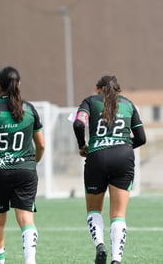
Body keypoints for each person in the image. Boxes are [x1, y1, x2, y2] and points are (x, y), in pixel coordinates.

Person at [0, 66, 45, 264]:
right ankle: (30, 261)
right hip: (25, 171)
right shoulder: (29, 109)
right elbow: (41, 144)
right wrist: (33, 161)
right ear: (18, 84)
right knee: (26, 220)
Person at [72, 75, 146, 264]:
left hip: (96, 156)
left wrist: (82, 146)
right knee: (118, 214)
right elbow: (141, 137)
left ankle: (100, 245)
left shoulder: (90, 101)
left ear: (98, 89)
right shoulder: (129, 104)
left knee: (94, 209)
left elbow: (79, 123)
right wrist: (125, 146)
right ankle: (117, 260)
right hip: (124, 157)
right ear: (118, 90)